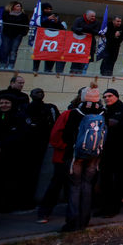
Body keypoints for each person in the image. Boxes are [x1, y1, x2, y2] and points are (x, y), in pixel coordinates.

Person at [37, 88, 83, 224]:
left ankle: (73, 213)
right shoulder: (68, 114)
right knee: (56, 184)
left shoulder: (93, 116)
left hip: (80, 157)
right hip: (64, 156)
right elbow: (55, 136)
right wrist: (67, 147)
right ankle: (44, 212)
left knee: (74, 186)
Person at [61, 87, 104, 232]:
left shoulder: (76, 112)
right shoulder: (103, 112)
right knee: (87, 186)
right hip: (95, 155)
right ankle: (85, 220)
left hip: (76, 155)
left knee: (74, 187)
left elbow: (66, 135)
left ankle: (72, 222)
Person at [24, 89, 60, 209]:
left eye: (41, 92)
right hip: (29, 143)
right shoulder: (26, 108)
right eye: (36, 92)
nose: (39, 94)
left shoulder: (50, 108)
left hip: (46, 143)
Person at [95, 89, 123, 217]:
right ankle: (104, 207)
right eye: (105, 96)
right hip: (105, 150)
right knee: (105, 180)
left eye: (110, 96)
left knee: (116, 181)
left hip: (119, 150)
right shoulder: (104, 110)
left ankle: (114, 207)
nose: (107, 98)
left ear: (117, 96)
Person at [0, 1, 28, 69]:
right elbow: (7, 21)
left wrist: (23, 33)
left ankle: (11, 64)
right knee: (5, 49)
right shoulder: (6, 13)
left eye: (20, 6)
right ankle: (3, 63)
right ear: (12, 6)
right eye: (17, 6)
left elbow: (26, 25)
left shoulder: (24, 15)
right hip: (6, 34)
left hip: (17, 35)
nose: (19, 7)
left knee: (13, 50)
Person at [69, 9, 101, 74]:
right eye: (92, 16)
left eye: (94, 16)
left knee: (85, 63)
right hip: (78, 44)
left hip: (89, 46)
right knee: (75, 62)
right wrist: (82, 30)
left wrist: (87, 29)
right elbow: (73, 28)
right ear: (86, 15)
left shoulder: (96, 22)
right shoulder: (78, 20)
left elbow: (97, 32)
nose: (93, 18)